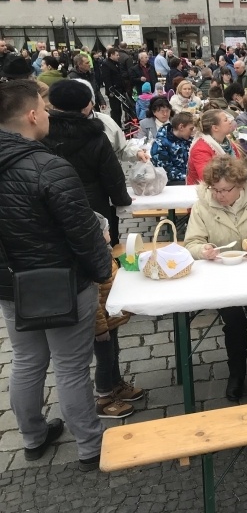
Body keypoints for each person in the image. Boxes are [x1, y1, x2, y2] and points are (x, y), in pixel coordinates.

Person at [0, 79, 110, 472]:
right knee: (70, 364)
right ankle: (89, 445)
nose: (47, 115)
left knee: (27, 360)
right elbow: (82, 232)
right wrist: (101, 271)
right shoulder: (47, 166)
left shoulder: (46, 163)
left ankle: (32, 436)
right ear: (31, 116)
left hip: (11, 286)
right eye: (44, 110)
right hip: (64, 281)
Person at [184, 155, 247, 401]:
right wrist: (203, 251)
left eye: (225, 190)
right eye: (214, 189)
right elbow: (191, 243)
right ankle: (236, 374)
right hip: (222, 276)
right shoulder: (202, 206)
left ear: (240, 186)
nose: (219, 195)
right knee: (234, 322)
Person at [43, 80, 132, 245]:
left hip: (52, 204)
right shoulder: (96, 136)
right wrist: (121, 200)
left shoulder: (42, 133)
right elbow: (112, 175)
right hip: (93, 204)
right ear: (86, 105)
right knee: (102, 249)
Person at [92, 214, 144, 420]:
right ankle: (104, 399)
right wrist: (100, 328)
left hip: (109, 320)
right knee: (105, 358)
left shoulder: (105, 253)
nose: (109, 233)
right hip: (101, 324)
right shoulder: (94, 260)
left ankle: (116, 385)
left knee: (113, 352)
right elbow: (94, 302)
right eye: (106, 230)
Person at [186, 108, 240, 185]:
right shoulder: (200, 149)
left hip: (227, 186)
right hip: (203, 191)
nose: (230, 121)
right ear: (215, 128)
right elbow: (207, 178)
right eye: (225, 120)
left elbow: (240, 166)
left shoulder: (227, 143)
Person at [150, 110, 195, 185]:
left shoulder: (187, 138)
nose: (192, 132)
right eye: (191, 129)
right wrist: (191, 178)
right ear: (181, 127)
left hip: (188, 178)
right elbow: (166, 172)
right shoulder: (160, 144)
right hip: (171, 183)